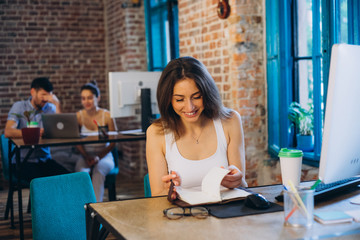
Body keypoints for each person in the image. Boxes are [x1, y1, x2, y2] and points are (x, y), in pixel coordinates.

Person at [146, 56, 248, 199]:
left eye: (197, 97)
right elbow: (157, 196)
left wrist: (237, 180)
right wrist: (169, 191)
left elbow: (242, 185)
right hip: (183, 216)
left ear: (207, 93)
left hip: (226, 213)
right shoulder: (156, 133)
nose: (190, 107)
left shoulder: (230, 121)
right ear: (168, 99)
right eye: (179, 99)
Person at [4, 77, 69, 181]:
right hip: (22, 161)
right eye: (43, 95)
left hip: (44, 160)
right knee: (42, 182)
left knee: (69, 179)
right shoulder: (20, 107)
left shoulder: (50, 108)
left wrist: (57, 105)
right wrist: (34, 133)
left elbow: (61, 130)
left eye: (49, 95)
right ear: (33, 92)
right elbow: (8, 131)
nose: (46, 99)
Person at [75, 81, 117, 202]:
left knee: (99, 172)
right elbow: (76, 141)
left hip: (105, 156)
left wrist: (99, 156)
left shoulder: (108, 115)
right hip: (85, 155)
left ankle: (95, 207)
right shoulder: (78, 116)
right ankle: (82, 205)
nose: (86, 101)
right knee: (81, 173)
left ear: (97, 98)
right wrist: (86, 156)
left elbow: (114, 141)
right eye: (83, 98)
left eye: (89, 98)